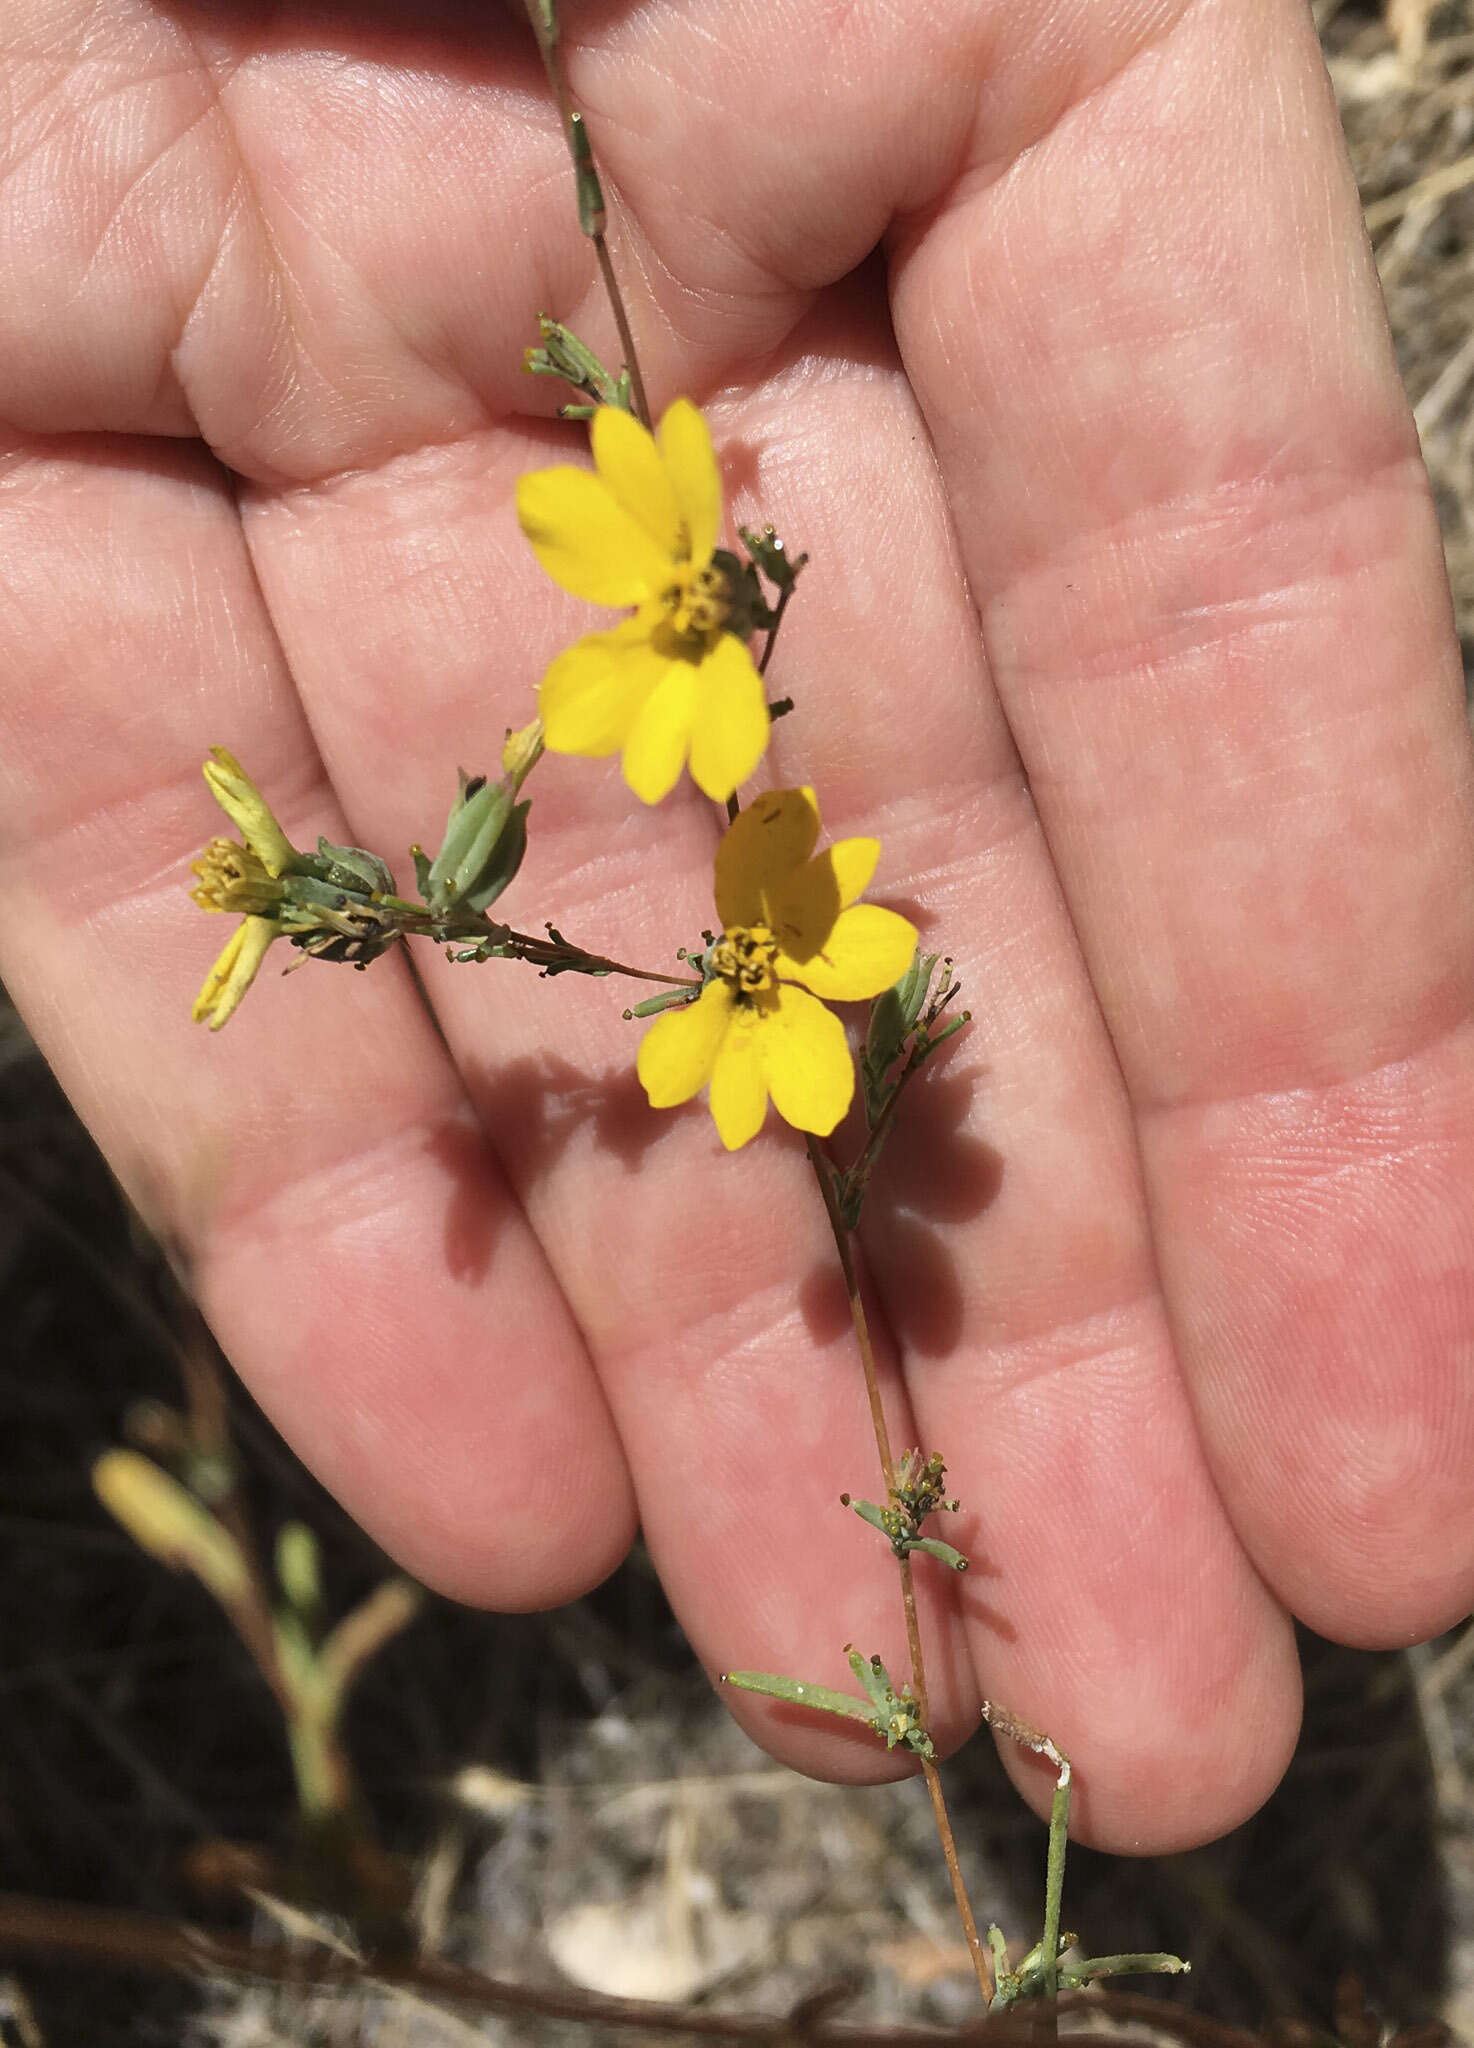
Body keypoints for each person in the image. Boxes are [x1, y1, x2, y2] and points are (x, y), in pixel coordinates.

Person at [2, 0, 1471, 1858]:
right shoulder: (665, 669)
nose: (695, 597)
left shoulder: (710, 654)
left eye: (702, 589)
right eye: (693, 593)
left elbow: (775, 878)